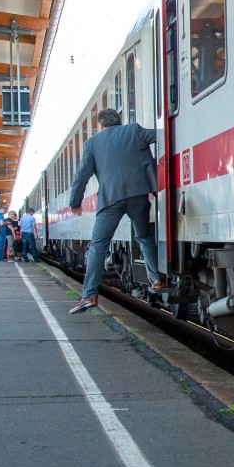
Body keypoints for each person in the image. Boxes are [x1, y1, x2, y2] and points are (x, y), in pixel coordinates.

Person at [67, 108, 162, 313]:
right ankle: (155, 280)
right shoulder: (135, 130)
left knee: (99, 245)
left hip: (111, 199)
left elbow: (81, 175)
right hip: (139, 195)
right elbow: (161, 135)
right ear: (119, 121)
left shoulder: (92, 144)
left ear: (102, 126)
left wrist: (75, 202)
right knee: (144, 237)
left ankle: (90, 295)